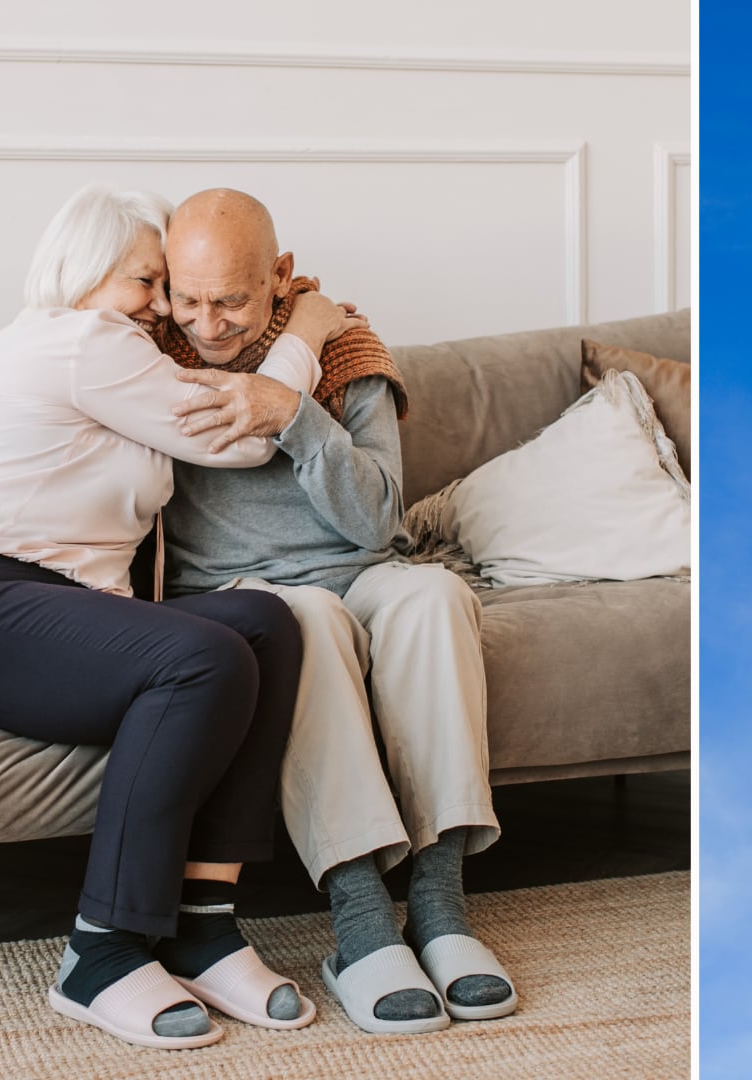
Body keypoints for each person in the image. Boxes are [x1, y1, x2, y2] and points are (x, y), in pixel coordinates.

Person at [0, 184, 358, 1050]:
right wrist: (306, 333)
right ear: (89, 272)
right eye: (149, 281)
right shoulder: (81, 339)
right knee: (203, 659)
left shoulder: (112, 354)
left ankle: (204, 927)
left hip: (43, 604)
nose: (161, 306)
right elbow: (241, 436)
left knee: (266, 624)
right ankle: (100, 953)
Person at [152, 188, 516, 1035]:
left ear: (280, 277)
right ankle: (358, 928)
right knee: (301, 621)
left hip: (364, 568)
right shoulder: (145, 353)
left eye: (232, 301)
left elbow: (379, 517)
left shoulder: (347, 347)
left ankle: (439, 908)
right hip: (244, 595)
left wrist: (298, 418)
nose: (206, 325)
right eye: (189, 298)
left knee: (433, 593)